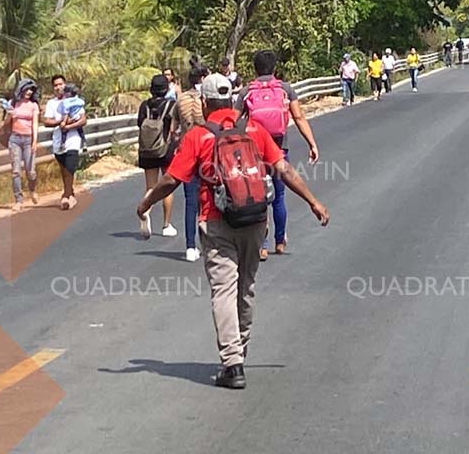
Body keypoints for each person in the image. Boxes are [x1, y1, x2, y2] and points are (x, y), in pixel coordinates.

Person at [136, 73, 330, 389]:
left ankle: (232, 363)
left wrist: (145, 204)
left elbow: (172, 180)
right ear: (232, 100)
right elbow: (283, 170)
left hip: (216, 221)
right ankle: (239, 350)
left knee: (224, 289)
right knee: (246, 288)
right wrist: (313, 201)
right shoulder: (255, 129)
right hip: (255, 219)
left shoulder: (198, 136)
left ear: (204, 102)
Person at [236, 50, 320, 260]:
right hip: (279, 150)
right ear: (274, 68)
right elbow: (299, 117)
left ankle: (261, 246)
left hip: (253, 152)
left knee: (259, 197)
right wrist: (312, 144)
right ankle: (280, 241)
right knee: (279, 197)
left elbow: (233, 121)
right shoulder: (285, 89)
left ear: (255, 69)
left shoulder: (246, 92)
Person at [171, 64, 208, 262]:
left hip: (187, 150)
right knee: (208, 199)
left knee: (190, 202)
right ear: (203, 78)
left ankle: (190, 246)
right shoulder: (208, 98)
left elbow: (174, 129)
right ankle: (207, 242)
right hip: (205, 150)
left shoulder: (181, 99)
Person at [137, 75, 178, 239]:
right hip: (165, 149)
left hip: (147, 150)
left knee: (150, 186)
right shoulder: (172, 105)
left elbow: (140, 124)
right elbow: (174, 127)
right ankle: (166, 225)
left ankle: (146, 211)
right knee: (166, 187)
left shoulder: (144, 105)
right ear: (166, 89)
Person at [44, 75, 87, 210]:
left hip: (73, 138)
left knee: (70, 166)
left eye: (61, 84)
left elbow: (83, 120)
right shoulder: (52, 104)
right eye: (56, 85)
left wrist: (68, 126)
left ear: (65, 85)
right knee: (64, 169)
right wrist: (60, 122)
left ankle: (66, 195)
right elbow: (46, 121)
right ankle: (70, 193)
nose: (58, 87)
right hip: (58, 140)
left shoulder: (75, 101)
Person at [4, 78, 40, 212]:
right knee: (15, 171)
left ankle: (32, 189)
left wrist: (35, 141)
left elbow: (35, 124)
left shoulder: (33, 105)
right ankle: (18, 199)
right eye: (27, 89)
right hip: (15, 139)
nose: (29, 92)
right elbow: (6, 122)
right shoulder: (13, 103)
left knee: (30, 171)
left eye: (31, 90)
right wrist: (10, 115)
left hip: (28, 139)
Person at [57, 83, 87, 153]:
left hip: (72, 117)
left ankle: (63, 144)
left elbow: (66, 113)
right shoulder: (78, 100)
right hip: (78, 116)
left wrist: (64, 122)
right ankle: (84, 143)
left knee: (64, 131)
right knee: (81, 131)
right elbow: (82, 105)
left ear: (68, 93)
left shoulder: (66, 102)